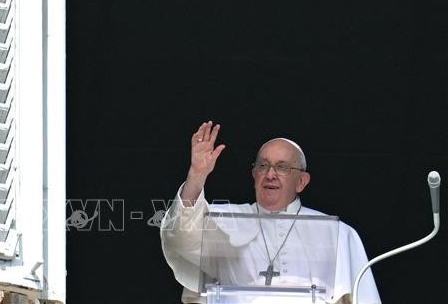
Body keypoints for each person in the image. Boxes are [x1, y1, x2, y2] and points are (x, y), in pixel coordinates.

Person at [161, 121, 381, 304]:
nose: (270, 174)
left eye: (282, 167)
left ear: (301, 182)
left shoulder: (339, 235)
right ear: (254, 175)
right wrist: (197, 175)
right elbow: (181, 235)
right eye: (263, 166)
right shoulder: (225, 220)